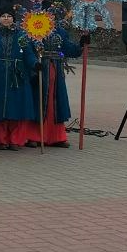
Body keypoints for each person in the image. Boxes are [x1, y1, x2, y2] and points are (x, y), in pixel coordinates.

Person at [28, 9, 89, 148]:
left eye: (53, 15)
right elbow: (28, 50)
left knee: (55, 101)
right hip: (39, 69)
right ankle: (34, 135)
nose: (50, 17)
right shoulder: (33, 29)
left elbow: (69, 49)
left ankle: (57, 136)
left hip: (56, 69)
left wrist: (81, 43)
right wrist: (33, 63)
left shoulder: (60, 32)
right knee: (39, 100)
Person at [0, 6, 40, 150]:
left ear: (13, 18)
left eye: (9, 16)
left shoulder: (22, 36)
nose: (6, 18)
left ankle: (15, 140)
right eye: (3, 16)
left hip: (17, 75)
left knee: (17, 107)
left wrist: (35, 64)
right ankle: (1, 140)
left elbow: (28, 54)